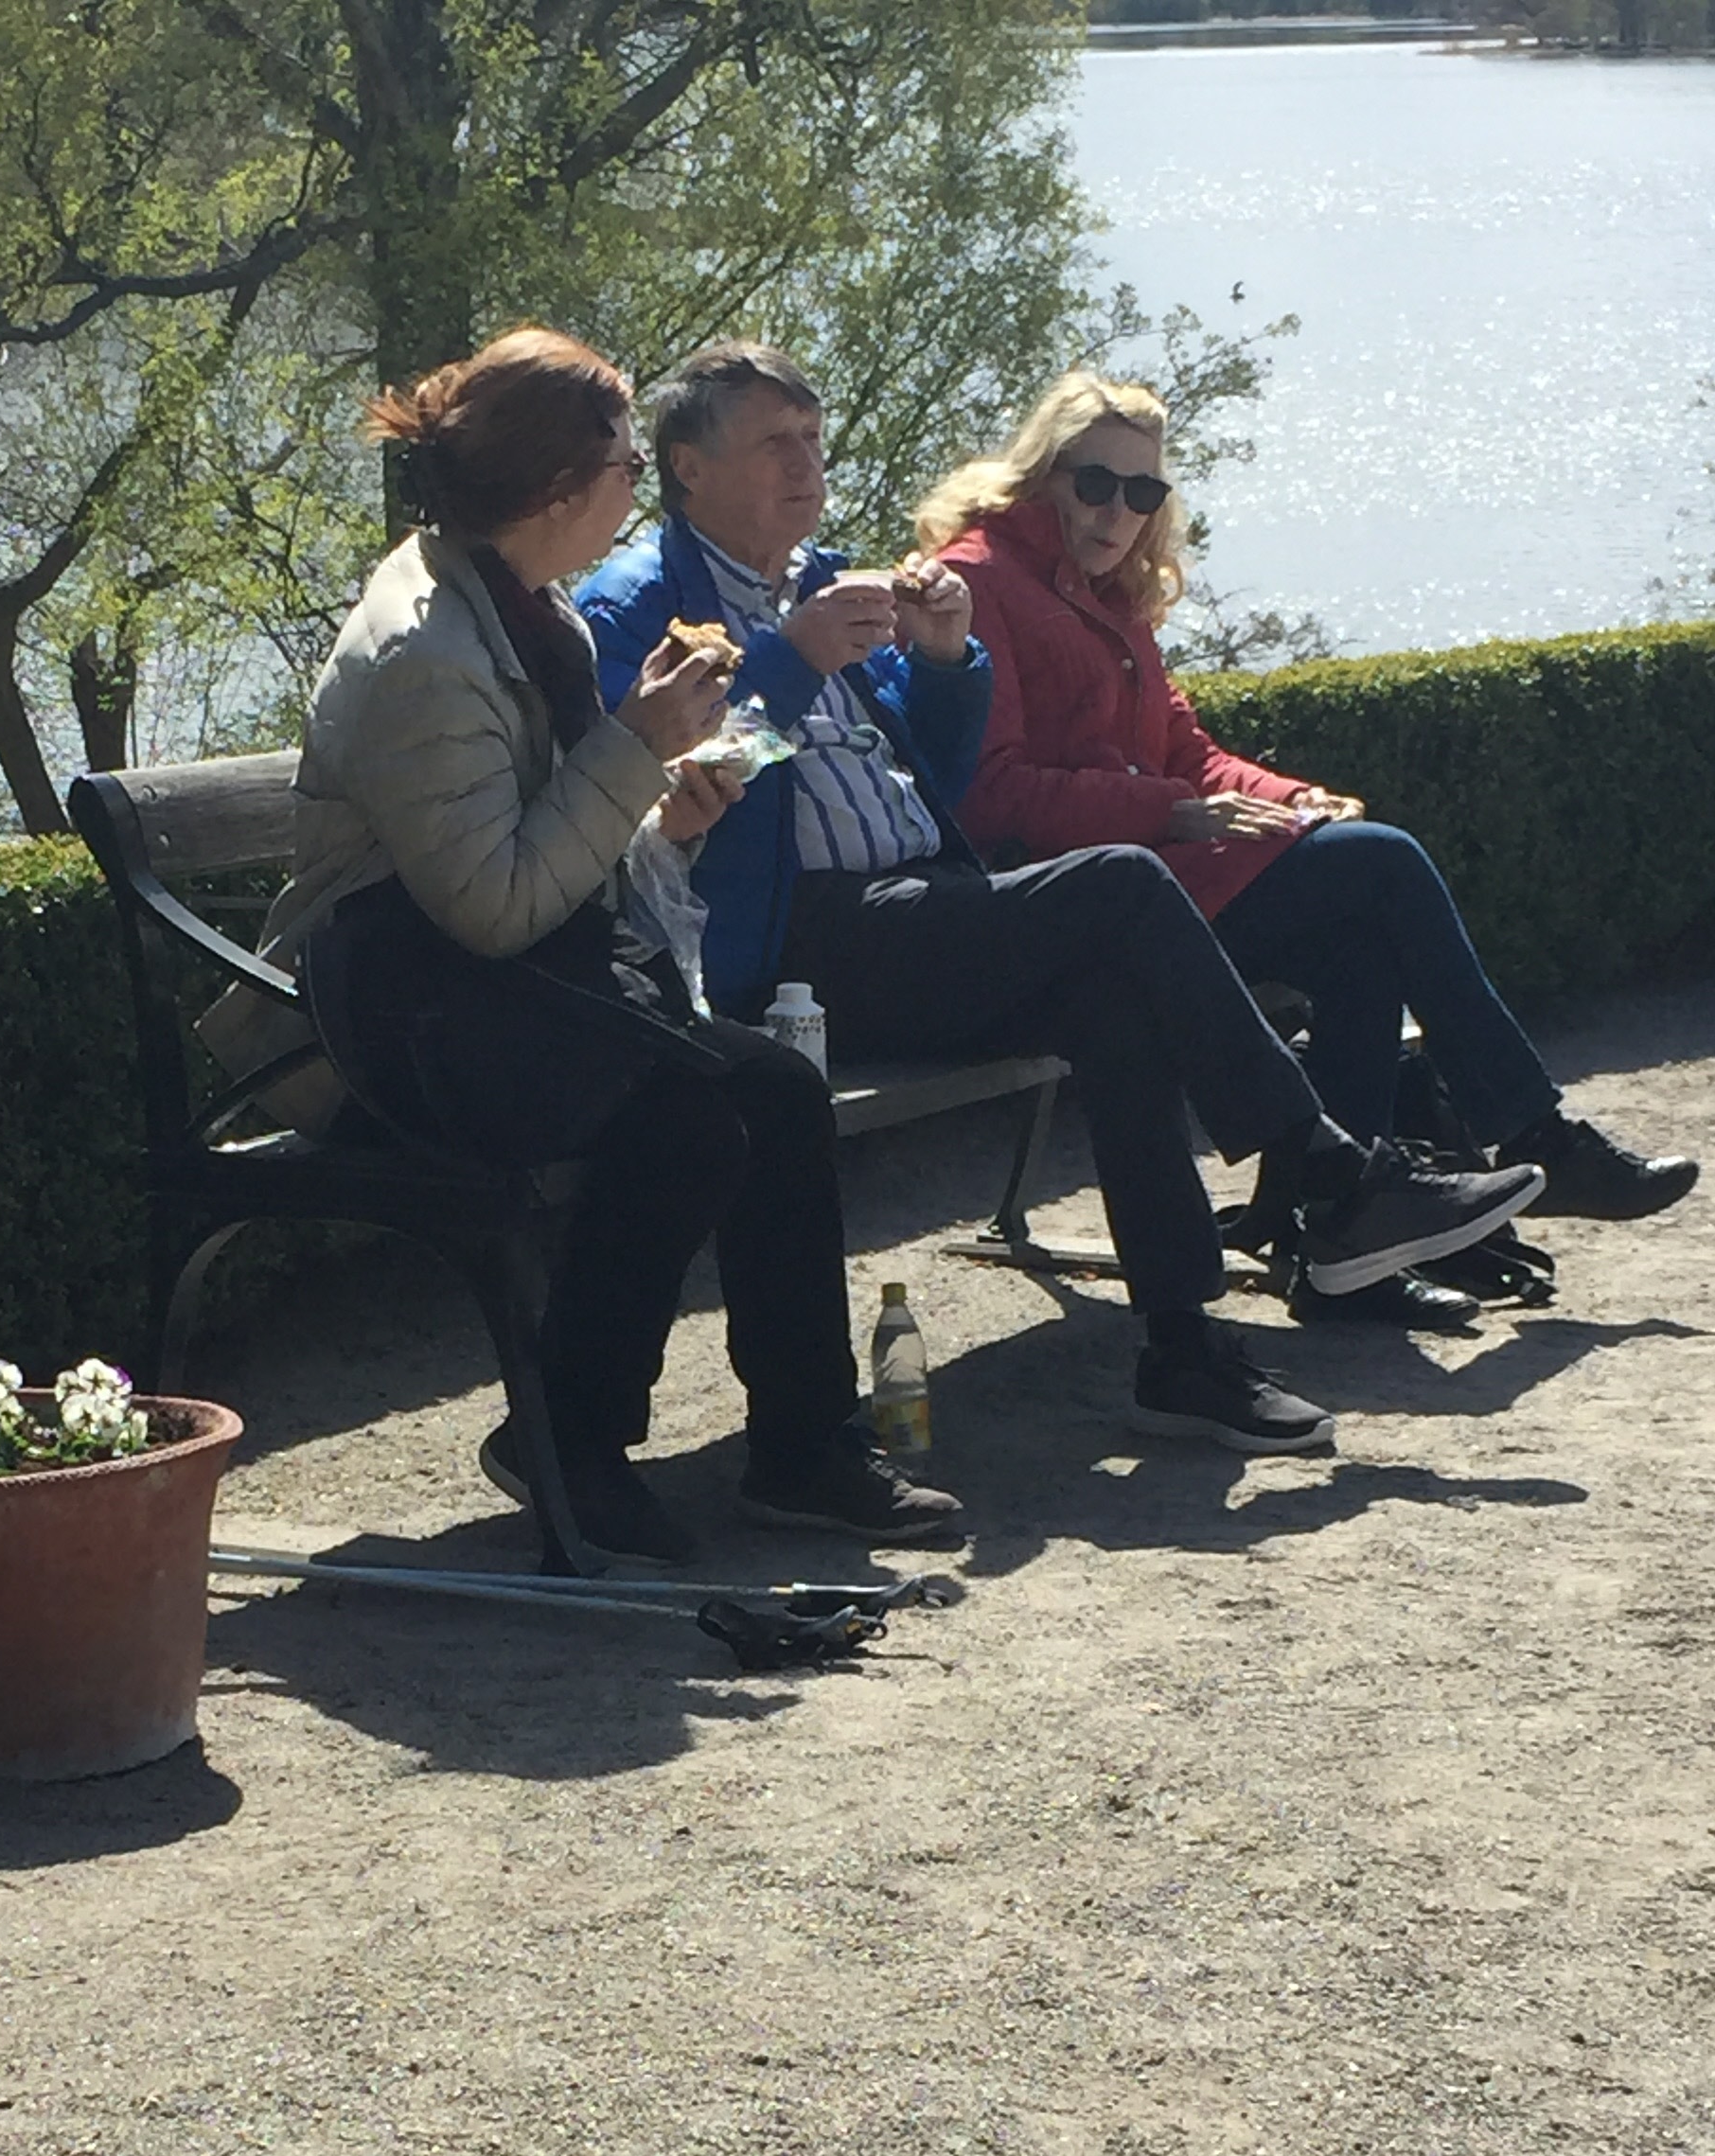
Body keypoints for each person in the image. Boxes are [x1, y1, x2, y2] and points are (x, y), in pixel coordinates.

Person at [575, 339, 1546, 1455]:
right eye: (772, 446)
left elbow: (937, 785)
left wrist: (948, 665)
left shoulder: (825, 580)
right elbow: (672, 798)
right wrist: (788, 661)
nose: (807, 466)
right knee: (1124, 884)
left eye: (813, 439)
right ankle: (1333, 1171)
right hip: (796, 939)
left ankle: (1183, 1348)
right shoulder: (637, 606)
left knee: (1113, 1000)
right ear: (688, 467)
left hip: (917, 905)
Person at [258, 326, 961, 1564]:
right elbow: (492, 906)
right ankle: (574, 1444)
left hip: (495, 985)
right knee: (694, 1115)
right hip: (399, 1024)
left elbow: (550, 843)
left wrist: (662, 806)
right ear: (557, 489)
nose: (640, 483)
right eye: (630, 465)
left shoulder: (522, 604)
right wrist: (635, 755)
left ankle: (799, 1449)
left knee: (769, 1089)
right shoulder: (427, 651)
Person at [917, 370, 1696, 1323]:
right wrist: (1173, 811)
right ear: (1042, 474)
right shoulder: (980, 579)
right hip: (1074, 904)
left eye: (1144, 491)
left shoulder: (1109, 597)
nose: (1120, 510)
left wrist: (1293, 799)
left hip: (1155, 877)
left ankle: (1338, 1248)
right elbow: (991, 795)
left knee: (1358, 936)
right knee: (1383, 863)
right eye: (1096, 483)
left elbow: (1191, 754)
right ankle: (1532, 1133)